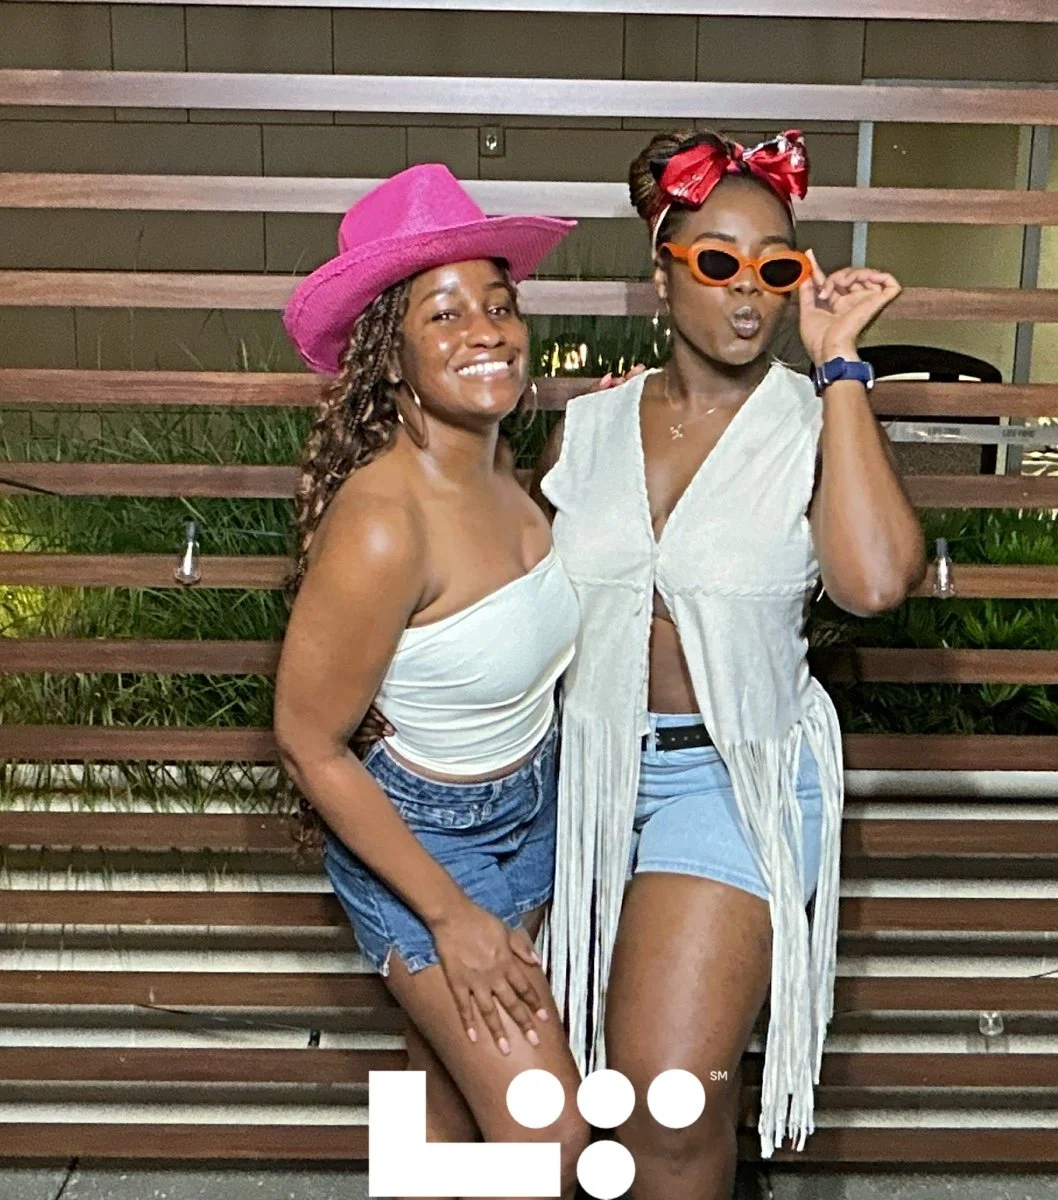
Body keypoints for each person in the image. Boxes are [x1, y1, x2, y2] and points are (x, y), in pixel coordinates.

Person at [532, 129, 926, 1198]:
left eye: (777, 265)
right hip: (592, 779)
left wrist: (841, 361)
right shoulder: (590, 427)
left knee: (668, 1096)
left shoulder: (811, 421)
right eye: (718, 261)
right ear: (662, 270)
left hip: (734, 775)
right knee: (576, 1108)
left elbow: (876, 580)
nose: (748, 292)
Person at [274, 163, 588, 1192]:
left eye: (499, 306)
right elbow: (309, 741)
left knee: (450, 1089)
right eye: (445, 314)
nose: (487, 332)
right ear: (391, 356)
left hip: (531, 812)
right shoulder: (381, 522)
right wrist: (453, 920)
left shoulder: (508, 467)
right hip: (427, 841)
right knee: (549, 1137)